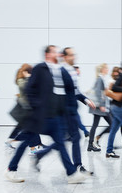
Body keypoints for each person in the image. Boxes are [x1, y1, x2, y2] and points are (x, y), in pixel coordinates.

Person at [6, 45, 89, 184]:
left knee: (60, 144)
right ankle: (11, 170)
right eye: (55, 52)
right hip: (38, 116)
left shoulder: (58, 70)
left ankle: (71, 174)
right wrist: (37, 106)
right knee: (25, 142)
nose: (58, 54)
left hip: (54, 116)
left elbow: (67, 90)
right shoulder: (40, 68)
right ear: (48, 55)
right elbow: (28, 89)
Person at [32, 47, 96, 175]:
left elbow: (75, 91)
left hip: (71, 109)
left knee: (62, 139)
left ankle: (40, 155)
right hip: (65, 110)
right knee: (74, 137)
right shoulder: (60, 70)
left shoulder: (72, 70)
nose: (74, 57)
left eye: (74, 54)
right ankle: (77, 165)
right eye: (72, 55)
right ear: (65, 57)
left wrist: (86, 100)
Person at [5, 64, 45, 154]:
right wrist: (29, 78)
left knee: (30, 129)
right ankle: (16, 142)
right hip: (25, 109)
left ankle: (35, 146)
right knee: (30, 129)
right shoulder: (21, 81)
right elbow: (26, 88)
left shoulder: (25, 80)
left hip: (30, 108)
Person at [87, 63, 112, 152]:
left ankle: (91, 144)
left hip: (100, 107)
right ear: (102, 69)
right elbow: (98, 93)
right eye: (106, 68)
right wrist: (102, 105)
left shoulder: (102, 78)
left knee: (95, 125)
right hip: (100, 107)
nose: (108, 69)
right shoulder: (100, 79)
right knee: (112, 124)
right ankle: (95, 141)